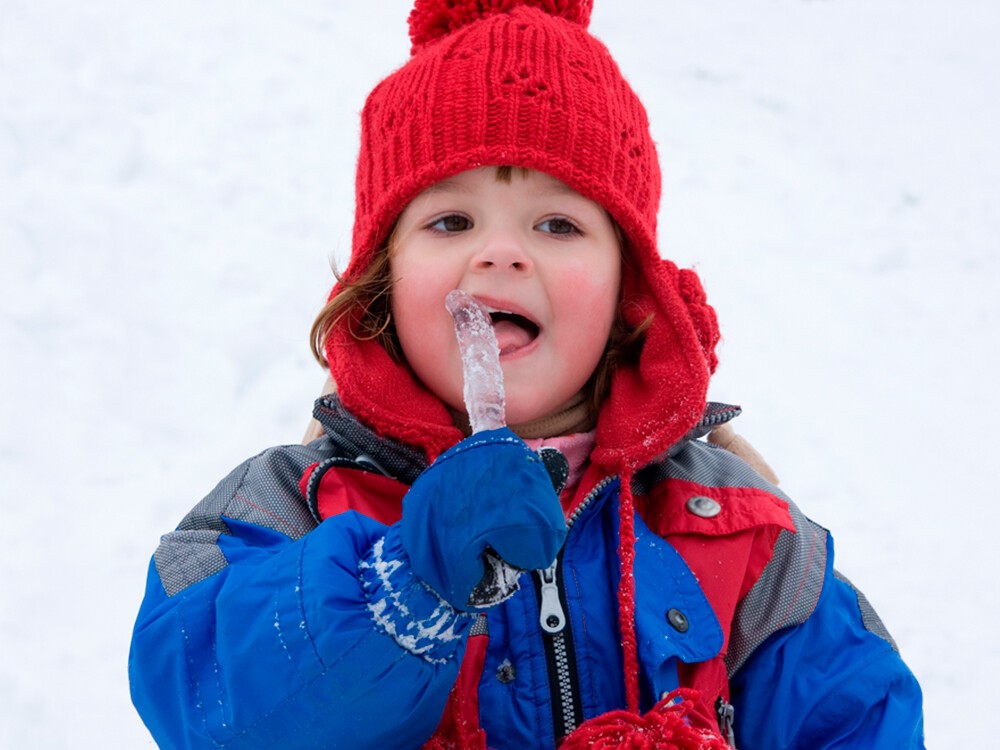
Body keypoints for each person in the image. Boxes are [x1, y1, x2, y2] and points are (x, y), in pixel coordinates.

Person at [128, 2, 925, 748]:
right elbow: (205, 698)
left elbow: (855, 712)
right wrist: (402, 583)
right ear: (381, 281)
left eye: (557, 223)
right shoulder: (292, 503)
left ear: (627, 290)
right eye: (450, 221)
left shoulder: (744, 532)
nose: (502, 252)